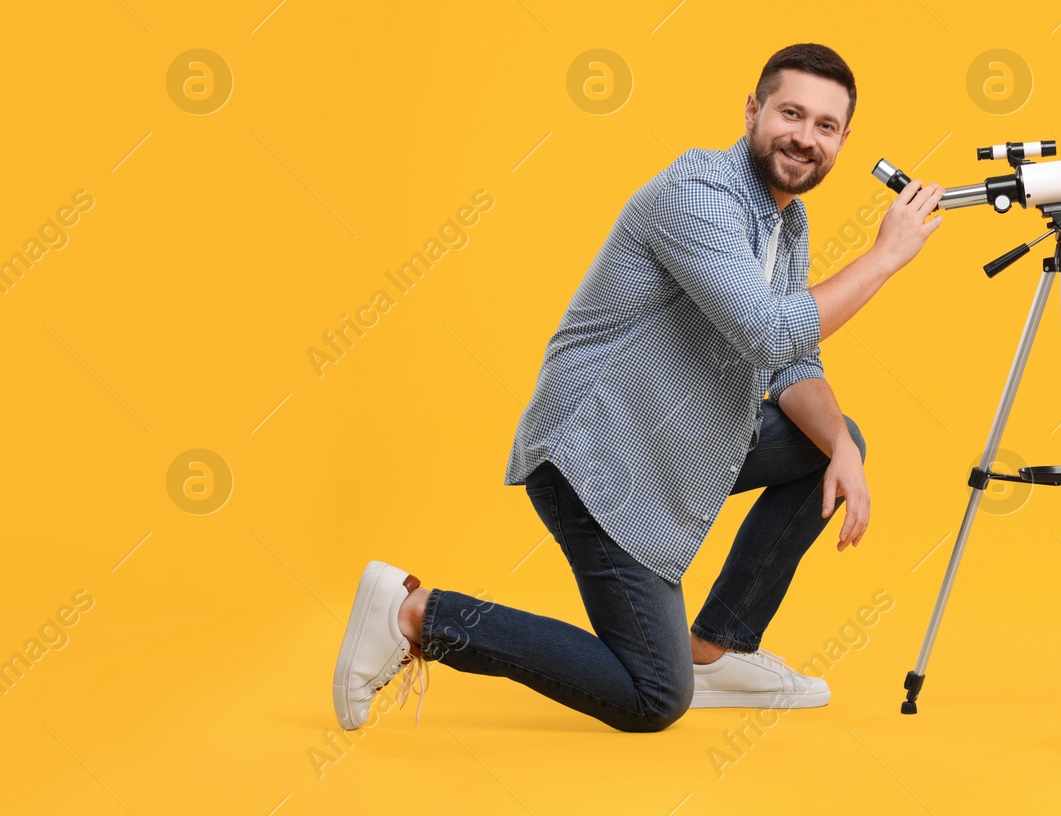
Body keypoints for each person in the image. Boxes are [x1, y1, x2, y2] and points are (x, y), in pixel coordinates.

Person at [332, 43, 945, 733]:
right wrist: (887, 255)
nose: (805, 137)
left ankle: (712, 652)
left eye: (825, 126)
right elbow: (768, 333)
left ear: (843, 140)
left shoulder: (786, 221)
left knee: (832, 438)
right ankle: (415, 613)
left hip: (668, 447)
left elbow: (791, 364)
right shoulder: (699, 192)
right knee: (652, 697)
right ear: (752, 111)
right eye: (792, 113)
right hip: (596, 460)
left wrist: (844, 450)